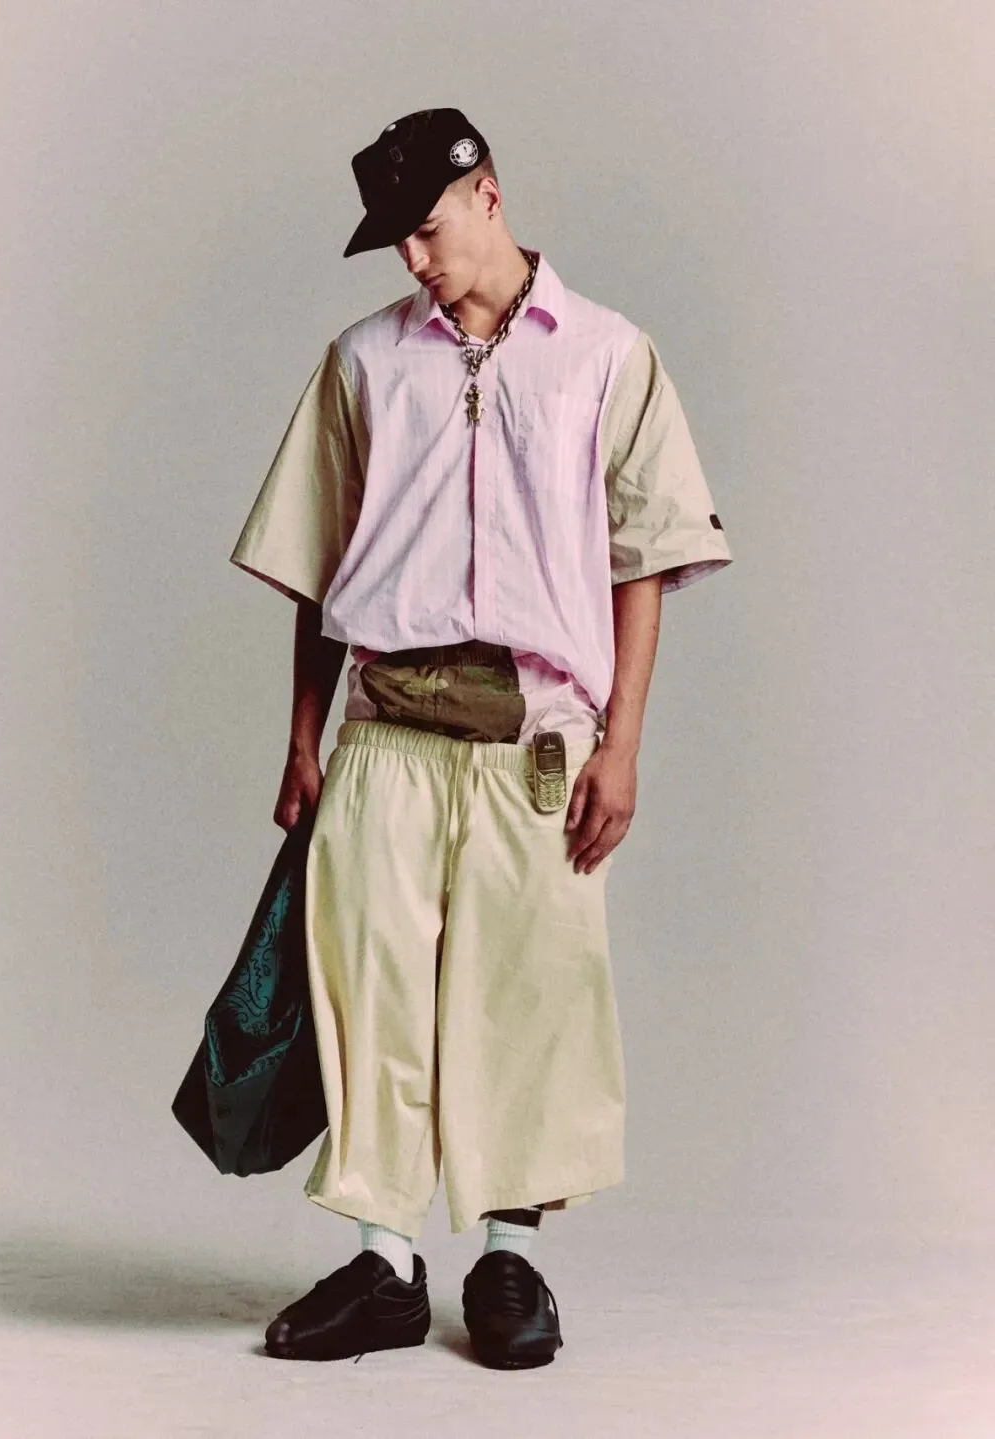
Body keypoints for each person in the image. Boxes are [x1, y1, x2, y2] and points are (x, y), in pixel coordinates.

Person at [229, 107, 733, 1368]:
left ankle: (509, 1258)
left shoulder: (607, 355)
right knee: (372, 995)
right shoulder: (363, 362)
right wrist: (302, 739)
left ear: (488, 195)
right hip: (384, 731)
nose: (415, 259)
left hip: (537, 740)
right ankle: (385, 1265)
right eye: (395, 242)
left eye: (427, 228)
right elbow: (317, 563)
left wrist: (623, 742)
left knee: (531, 998)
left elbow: (644, 561)